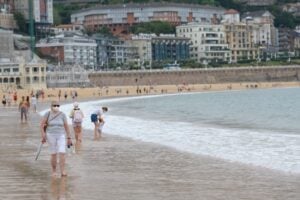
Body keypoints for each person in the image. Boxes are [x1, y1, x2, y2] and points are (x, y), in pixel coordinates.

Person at [40, 101, 72, 178]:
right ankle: (54, 171)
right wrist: (43, 135)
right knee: (53, 153)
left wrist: (69, 137)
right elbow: (41, 125)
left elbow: (66, 126)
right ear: (51, 106)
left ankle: (63, 170)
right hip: (50, 135)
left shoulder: (62, 114)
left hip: (61, 135)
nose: (56, 106)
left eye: (58, 105)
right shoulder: (47, 114)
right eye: (55, 105)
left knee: (62, 152)